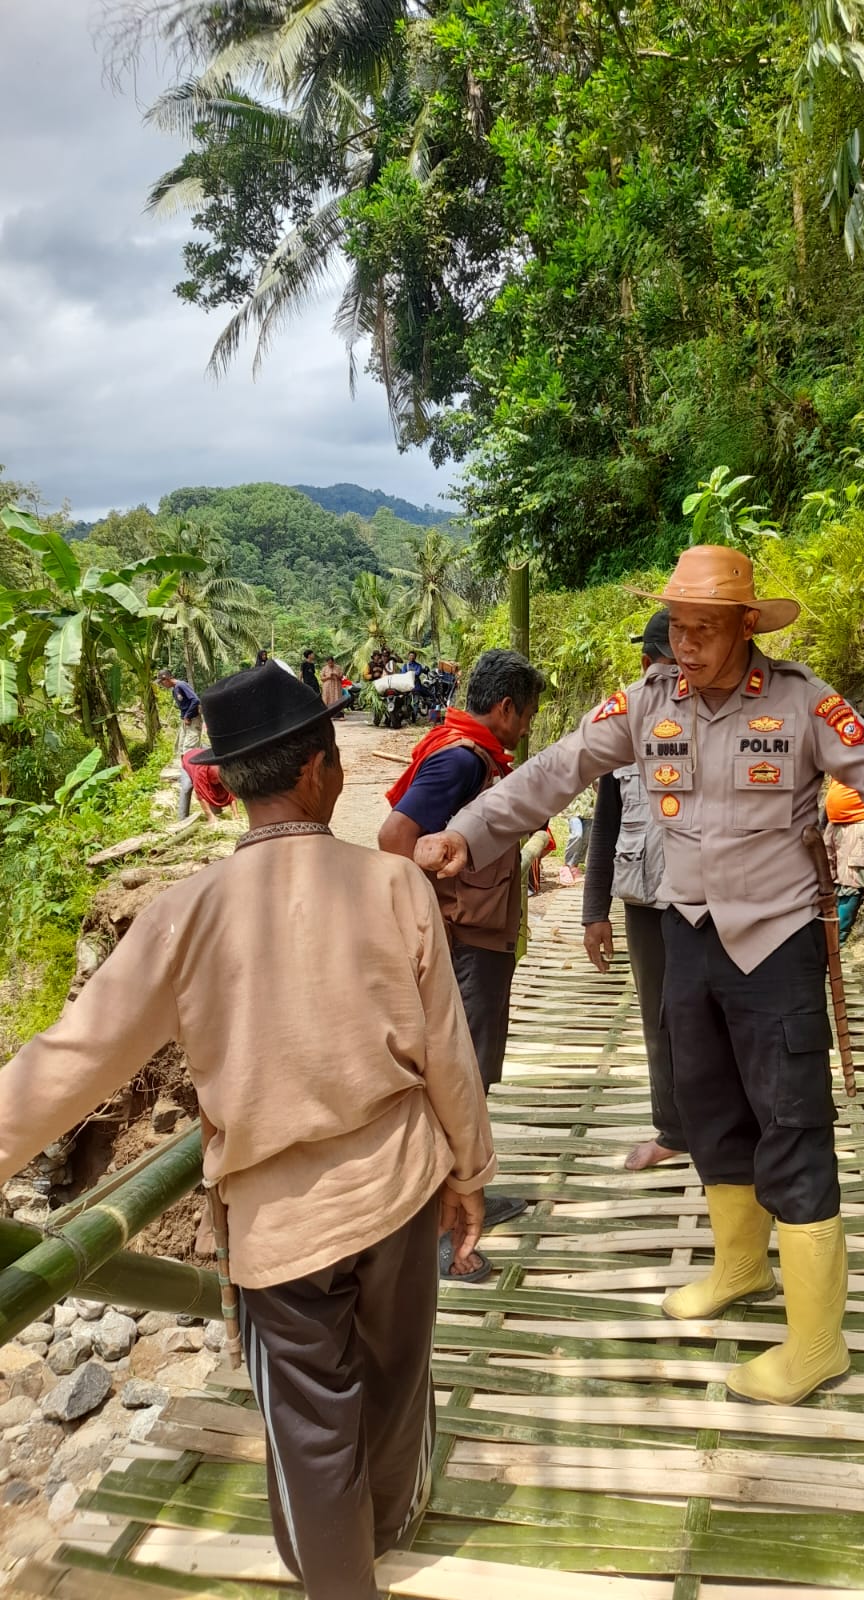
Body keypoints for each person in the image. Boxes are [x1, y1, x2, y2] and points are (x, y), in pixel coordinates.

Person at [0, 664, 493, 1600]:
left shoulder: (184, 913)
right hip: (397, 1188)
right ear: (319, 770)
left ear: (231, 784)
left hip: (278, 1226)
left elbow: (73, 1059)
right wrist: (468, 1172)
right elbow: (448, 1058)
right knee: (394, 1387)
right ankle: (384, 1532)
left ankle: (339, 1576)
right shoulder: (394, 887)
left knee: (312, 1430)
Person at [414, 545, 864, 1405]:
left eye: (700, 631)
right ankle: (739, 1268)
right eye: (676, 630)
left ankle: (817, 1345)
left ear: (742, 627)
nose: (682, 647)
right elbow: (554, 771)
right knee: (708, 1110)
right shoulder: (650, 703)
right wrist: (469, 833)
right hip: (689, 937)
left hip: (776, 944)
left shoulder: (803, 703)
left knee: (791, 1127)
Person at [379, 648, 545, 1281]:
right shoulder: (459, 760)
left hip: (474, 935)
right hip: (464, 941)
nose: (526, 728)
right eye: (525, 715)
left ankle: (466, 1192)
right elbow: (395, 840)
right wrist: (435, 919)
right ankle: (448, 1233)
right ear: (504, 709)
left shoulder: (469, 754)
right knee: (459, 1074)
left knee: (471, 1075)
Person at [582, 609, 687, 1171]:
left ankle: (729, 1126)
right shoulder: (620, 730)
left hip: (715, 900)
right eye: (670, 666)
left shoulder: (725, 721)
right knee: (659, 1017)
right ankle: (673, 1129)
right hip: (646, 900)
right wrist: (593, 911)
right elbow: (606, 820)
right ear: (647, 665)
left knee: (721, 1013)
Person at [823, 779, 864, 945]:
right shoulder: (838, 756)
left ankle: (837, 940)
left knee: (851, 884)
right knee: (827, 880)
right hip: (834, 822)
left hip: (857, 822)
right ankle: (826, 939)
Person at [158, 670, 204, 820]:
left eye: (162, 681)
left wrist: (188, 715)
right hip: (185, 720)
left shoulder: (182, 685)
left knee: (189, 748)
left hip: (192, 720)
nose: (162, 685)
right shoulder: (174, 690)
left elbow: (195, 700)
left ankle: (193, 774)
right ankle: (186, 772)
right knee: (180, 747)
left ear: (168, 678)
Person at [179, 746, 238, 821]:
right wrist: (210, 816)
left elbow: (231, 795)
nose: (217, 781)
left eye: (218, 780)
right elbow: (201, 796)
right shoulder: (200, 774)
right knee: (186, 787)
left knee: (217, 812)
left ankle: (216, 811)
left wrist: (236, 814)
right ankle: (182, 818)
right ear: (209, 776)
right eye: (214, 779)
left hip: (201, 755)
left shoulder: (223, 774)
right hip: (188, 759)